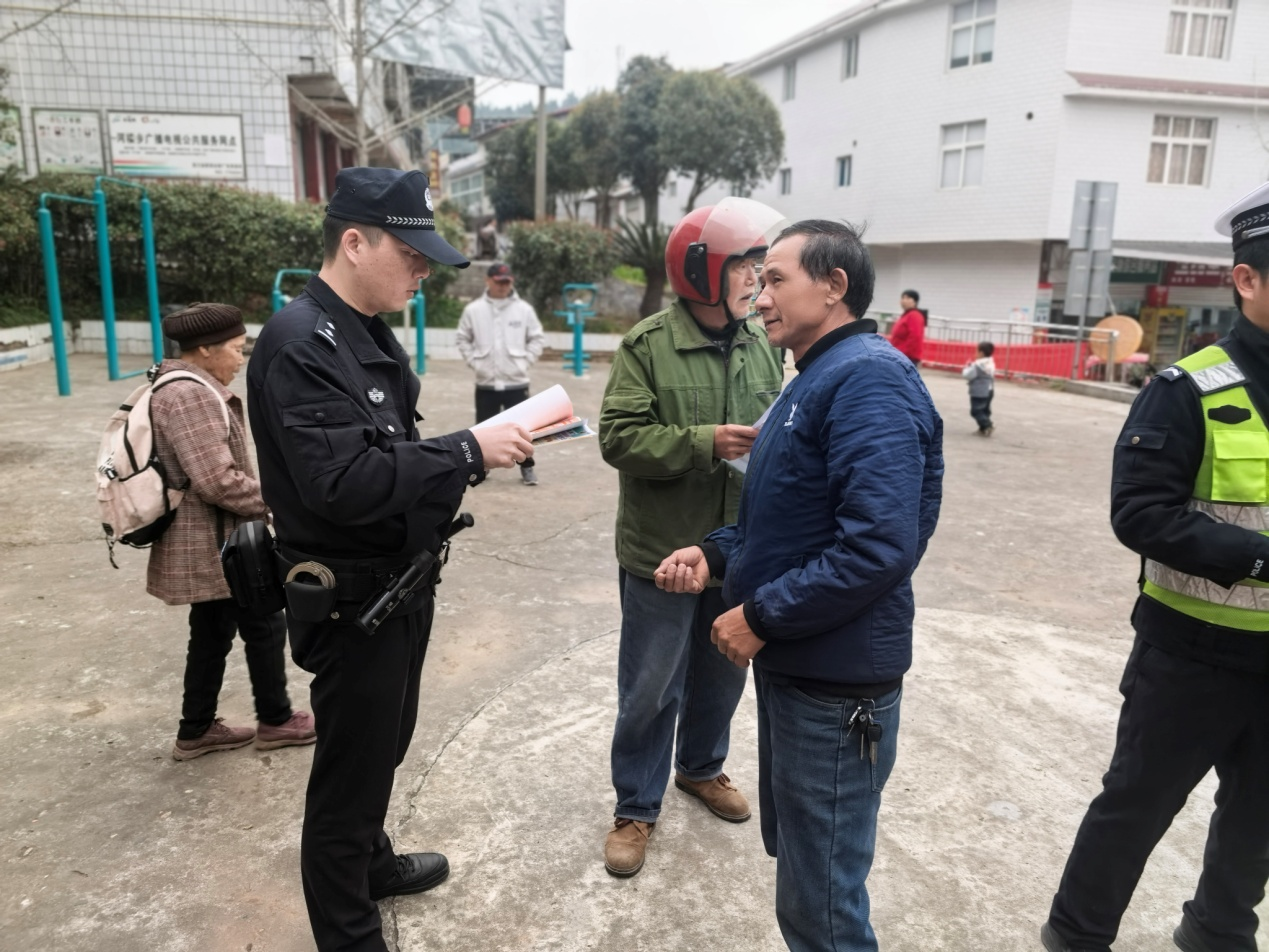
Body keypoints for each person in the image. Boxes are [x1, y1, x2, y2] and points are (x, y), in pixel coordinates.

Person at [246, 167, 533, 952]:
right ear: (353, 242)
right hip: (350, 604)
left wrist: (454, 462)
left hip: (396, 587)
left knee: (383, 749)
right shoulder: (299, 342)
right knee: (348, 781)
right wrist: (465, 450)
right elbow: (341, 482)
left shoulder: (364, 328)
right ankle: (349, 934)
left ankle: (371, 864)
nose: (421, 272)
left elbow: (387, 448)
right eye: (410, 256)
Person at [655, 219, 944, 952]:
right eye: (759, 281)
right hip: (807, 669)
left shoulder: (867, 380)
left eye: (776, 279)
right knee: (807, 874)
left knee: (822, 904)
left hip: (836, 687)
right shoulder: (813, 377)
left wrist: (760, 615)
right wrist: (716, 555)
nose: (758, 297)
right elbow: (789, 521)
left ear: (834, 286)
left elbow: (877, 545)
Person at [1040, 184, 1269, 952]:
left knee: (1257, 819)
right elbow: (1138, 514)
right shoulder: (1186, 390)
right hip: (1189, 657)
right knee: (1134, 807)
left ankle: (1217, 931)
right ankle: (1076, 936)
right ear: (1245, 279)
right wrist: (1259, 558)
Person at [597, 197, 787, 878]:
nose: (755, 280)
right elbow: (618, 438)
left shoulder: (761, 343)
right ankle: (635, 805)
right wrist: (704, 441)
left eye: (761, 267)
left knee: (722, 670)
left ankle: (700, 768)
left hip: (735, 551)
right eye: (744, 266)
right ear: (701, 270)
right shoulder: (647, 344)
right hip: (663, 551)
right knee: (651, 685)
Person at [147, 302, 315, 761]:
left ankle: (197, 728)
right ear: (205, 349)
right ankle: (276, 720)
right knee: (263, 620)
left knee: (214, 630)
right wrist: (278, 502)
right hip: (215, 540)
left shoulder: (183, 385)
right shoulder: (190, 394)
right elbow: (217, 480)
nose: (240, 359)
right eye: (236, 348)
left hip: (215, 537)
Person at [456, 262, 547, 485]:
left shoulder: (523, 310)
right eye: (499, 282)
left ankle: (527, 467)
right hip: (486, 382)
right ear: (488, 281)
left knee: (523, 429)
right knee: (483, 429)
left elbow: (537, 338)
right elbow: (463, 338)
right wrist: (475, 363)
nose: (503, 286)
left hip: (516, 382)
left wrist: (524, 362)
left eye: (507, 282)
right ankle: (482, 469)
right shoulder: (474, 310)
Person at [962, 340, 996, 435]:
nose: (975, 353)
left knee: (976, 411)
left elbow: (967, 375)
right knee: (985, 410)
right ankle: (983, 428)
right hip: (989, 390)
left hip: (979, 392)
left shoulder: (977, 365)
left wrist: (966, 367)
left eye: (976, 351)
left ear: (981, 353)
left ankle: (987, 425)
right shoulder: (990, 363)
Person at [889, 288, 925, 365]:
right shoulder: (906, 315)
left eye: (908, 298)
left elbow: (915, 336)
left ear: (915, 301)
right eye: (903, 298)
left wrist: (903, 354)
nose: (904, 300)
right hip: (899, 355)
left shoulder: (914, 315)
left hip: (906, 357)